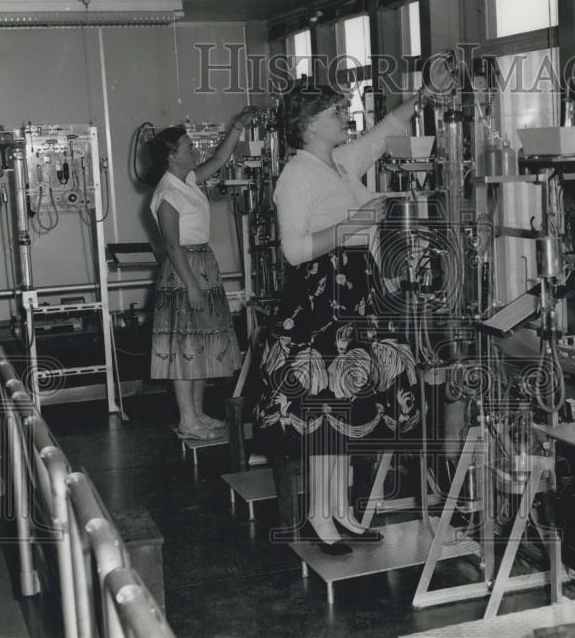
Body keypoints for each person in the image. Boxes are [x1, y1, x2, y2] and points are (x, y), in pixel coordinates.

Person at [253, 82, 429, 555]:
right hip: (317, 299)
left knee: (346, 405)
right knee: (322, 411)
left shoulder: (340, 162)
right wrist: (357, 223)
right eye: (336, 112)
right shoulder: (296, 174)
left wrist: (426, 93)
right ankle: (318, 516)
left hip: (351, 295)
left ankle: (341, 510)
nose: (344, 116)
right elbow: (293, 251)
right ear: (310, 125)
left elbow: (387, 129)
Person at [147, 108, 255, 440]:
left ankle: (197, 414)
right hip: (184, 272)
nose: (195, 150)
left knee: (203, 344)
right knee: (184, 347)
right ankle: (186, 421)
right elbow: (173, 246)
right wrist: (192, 286)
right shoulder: (167, 193)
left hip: (202, 265)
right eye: (188, 146)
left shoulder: (188, 180)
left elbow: (220, 160)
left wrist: (237, 127)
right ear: (171, 156)